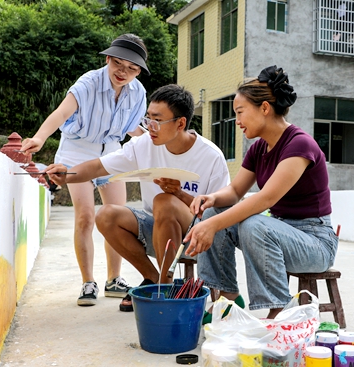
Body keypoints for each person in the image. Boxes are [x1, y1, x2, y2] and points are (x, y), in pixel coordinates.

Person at [45, 84, 230, 312]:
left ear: (180, 123)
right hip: (156, 229)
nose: (149, 128)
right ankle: (155, 281)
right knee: (107, 215)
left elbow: (221, 214)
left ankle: (162, 289)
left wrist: (179, 194)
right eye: (147, 119)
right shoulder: (143, 145)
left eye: (157, 121)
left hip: (196, 234)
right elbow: (99, 166)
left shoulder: (210, 156)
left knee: (165, 201)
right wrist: (68, 175)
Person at [184, 65, 339, 323]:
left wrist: (210, 225)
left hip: (315, 241)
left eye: (240, 112)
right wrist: (211, 200)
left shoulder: (299, 144)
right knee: (213, 212)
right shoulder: (258, 149)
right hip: (279, 231)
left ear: (265, 108)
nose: (237, 121)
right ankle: (227, 299)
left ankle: (279, 311)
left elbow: (266, 199)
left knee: (253, 225)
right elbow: (234, 191)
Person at [20, 34, 150, 306]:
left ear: (139, 71)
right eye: (118, 64)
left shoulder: (138, 92)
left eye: (132, 68)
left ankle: (114, 279)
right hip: (77, 150)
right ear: (108, 58)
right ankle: (87, 282)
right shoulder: (89, 82)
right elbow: (61, 113)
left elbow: (133, 128)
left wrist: (157, 148)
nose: (123, 72)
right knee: (86, 217)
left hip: (113, 151)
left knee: (117, 218)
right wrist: (39, 138)